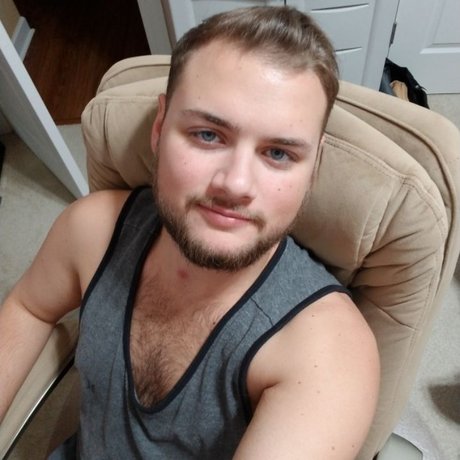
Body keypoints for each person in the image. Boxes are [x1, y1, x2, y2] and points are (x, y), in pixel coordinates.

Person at [0, 6, 380, 459]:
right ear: (160, 127)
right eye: (208, 135)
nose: (235, 184)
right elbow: (29, 307)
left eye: (278, 153)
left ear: (314, 166)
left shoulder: (326, 352)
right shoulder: (93, 229)